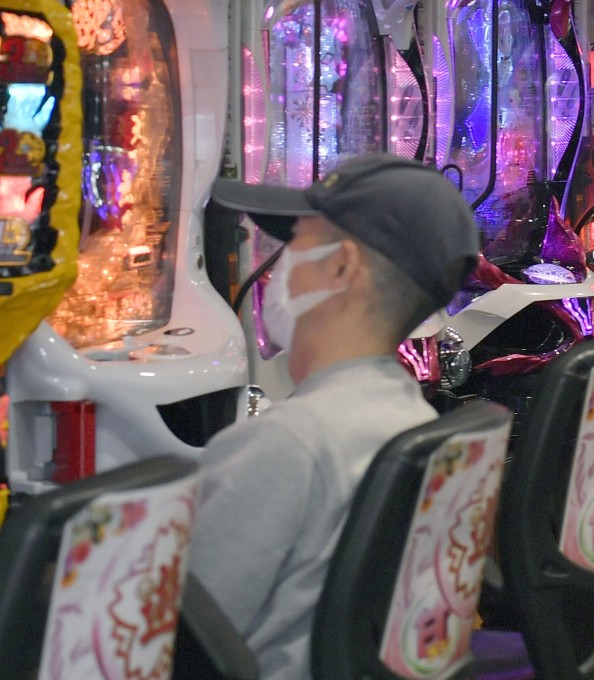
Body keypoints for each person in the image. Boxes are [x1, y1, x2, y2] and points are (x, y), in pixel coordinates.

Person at [187, 153, 479, 679]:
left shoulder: (287, 444)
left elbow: (157, 639)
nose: (278, 266)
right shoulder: (410, 419)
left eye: (294, 242)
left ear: (341, 267)